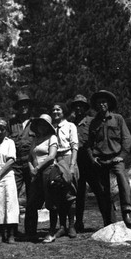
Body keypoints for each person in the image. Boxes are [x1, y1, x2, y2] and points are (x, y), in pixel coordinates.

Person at [86, 90, 131, 229]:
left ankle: (126, 211)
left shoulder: (118, 118)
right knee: (103, 191)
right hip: (100, 160)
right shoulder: (94, 123)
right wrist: (92, 157)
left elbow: (127, 138)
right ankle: (109, 220)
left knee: (122, 177)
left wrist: (122, 156)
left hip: (115, 158)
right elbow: (89, 143)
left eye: (104, 102)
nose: (101, 105)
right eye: (99, 102)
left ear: (109, 104)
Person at [25, 114, 58, 242]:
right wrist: (32, 169)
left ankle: (51, 232)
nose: (41, 127)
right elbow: (30, 157)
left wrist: (37, 168)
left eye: (44, 124)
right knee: (33, 202)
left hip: (48, 171)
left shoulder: (52, 138)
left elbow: (51, 156)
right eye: (40, 124)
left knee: (51, 202)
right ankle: (31, 231)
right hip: (36, 173)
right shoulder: (36, 139)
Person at [68, 94, 98, 233]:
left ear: (86, 108)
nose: (79, 108)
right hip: (76, 160)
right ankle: (77, 222)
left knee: (100, 190)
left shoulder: (93, 121)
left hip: (90, 158)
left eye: (81, 105)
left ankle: (110, 221)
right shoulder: (70, 123)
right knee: (78, 193)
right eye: (76, 105)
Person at [50, 102, 79, 239]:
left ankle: (71, 225)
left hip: (67, 158)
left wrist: (72, 165)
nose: (55, 112)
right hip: (55, 160)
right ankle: (61, 226)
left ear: (63, 111)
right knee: (58, 193)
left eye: (58, 109)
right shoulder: (50, 127)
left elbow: (74, 146)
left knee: (70, 193)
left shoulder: (70, 126)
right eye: (53, 110)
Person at [8, 93, 35, 224]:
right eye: (21, 105)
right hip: (15, 163)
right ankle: (13, 229)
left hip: (31, 163)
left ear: (30, 106)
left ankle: (30, 229)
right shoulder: (11, 123)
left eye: (26, 104)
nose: (23, 107)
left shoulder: (36, 122)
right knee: (12, 196)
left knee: (32, 196)